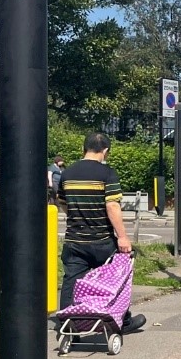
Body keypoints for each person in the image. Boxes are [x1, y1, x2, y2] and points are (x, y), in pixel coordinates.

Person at [54, 132, 145, 333]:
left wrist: (78, 214)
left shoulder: (67, 173)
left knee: (71, 279)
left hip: (74, 239)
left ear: (83, 149)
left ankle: (67, 323)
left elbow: (62, 202)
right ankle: (122, 320)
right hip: (102, 240)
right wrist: (122, 236)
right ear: (105, 151)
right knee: (116, 277)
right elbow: (112, 205)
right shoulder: (107, 173)